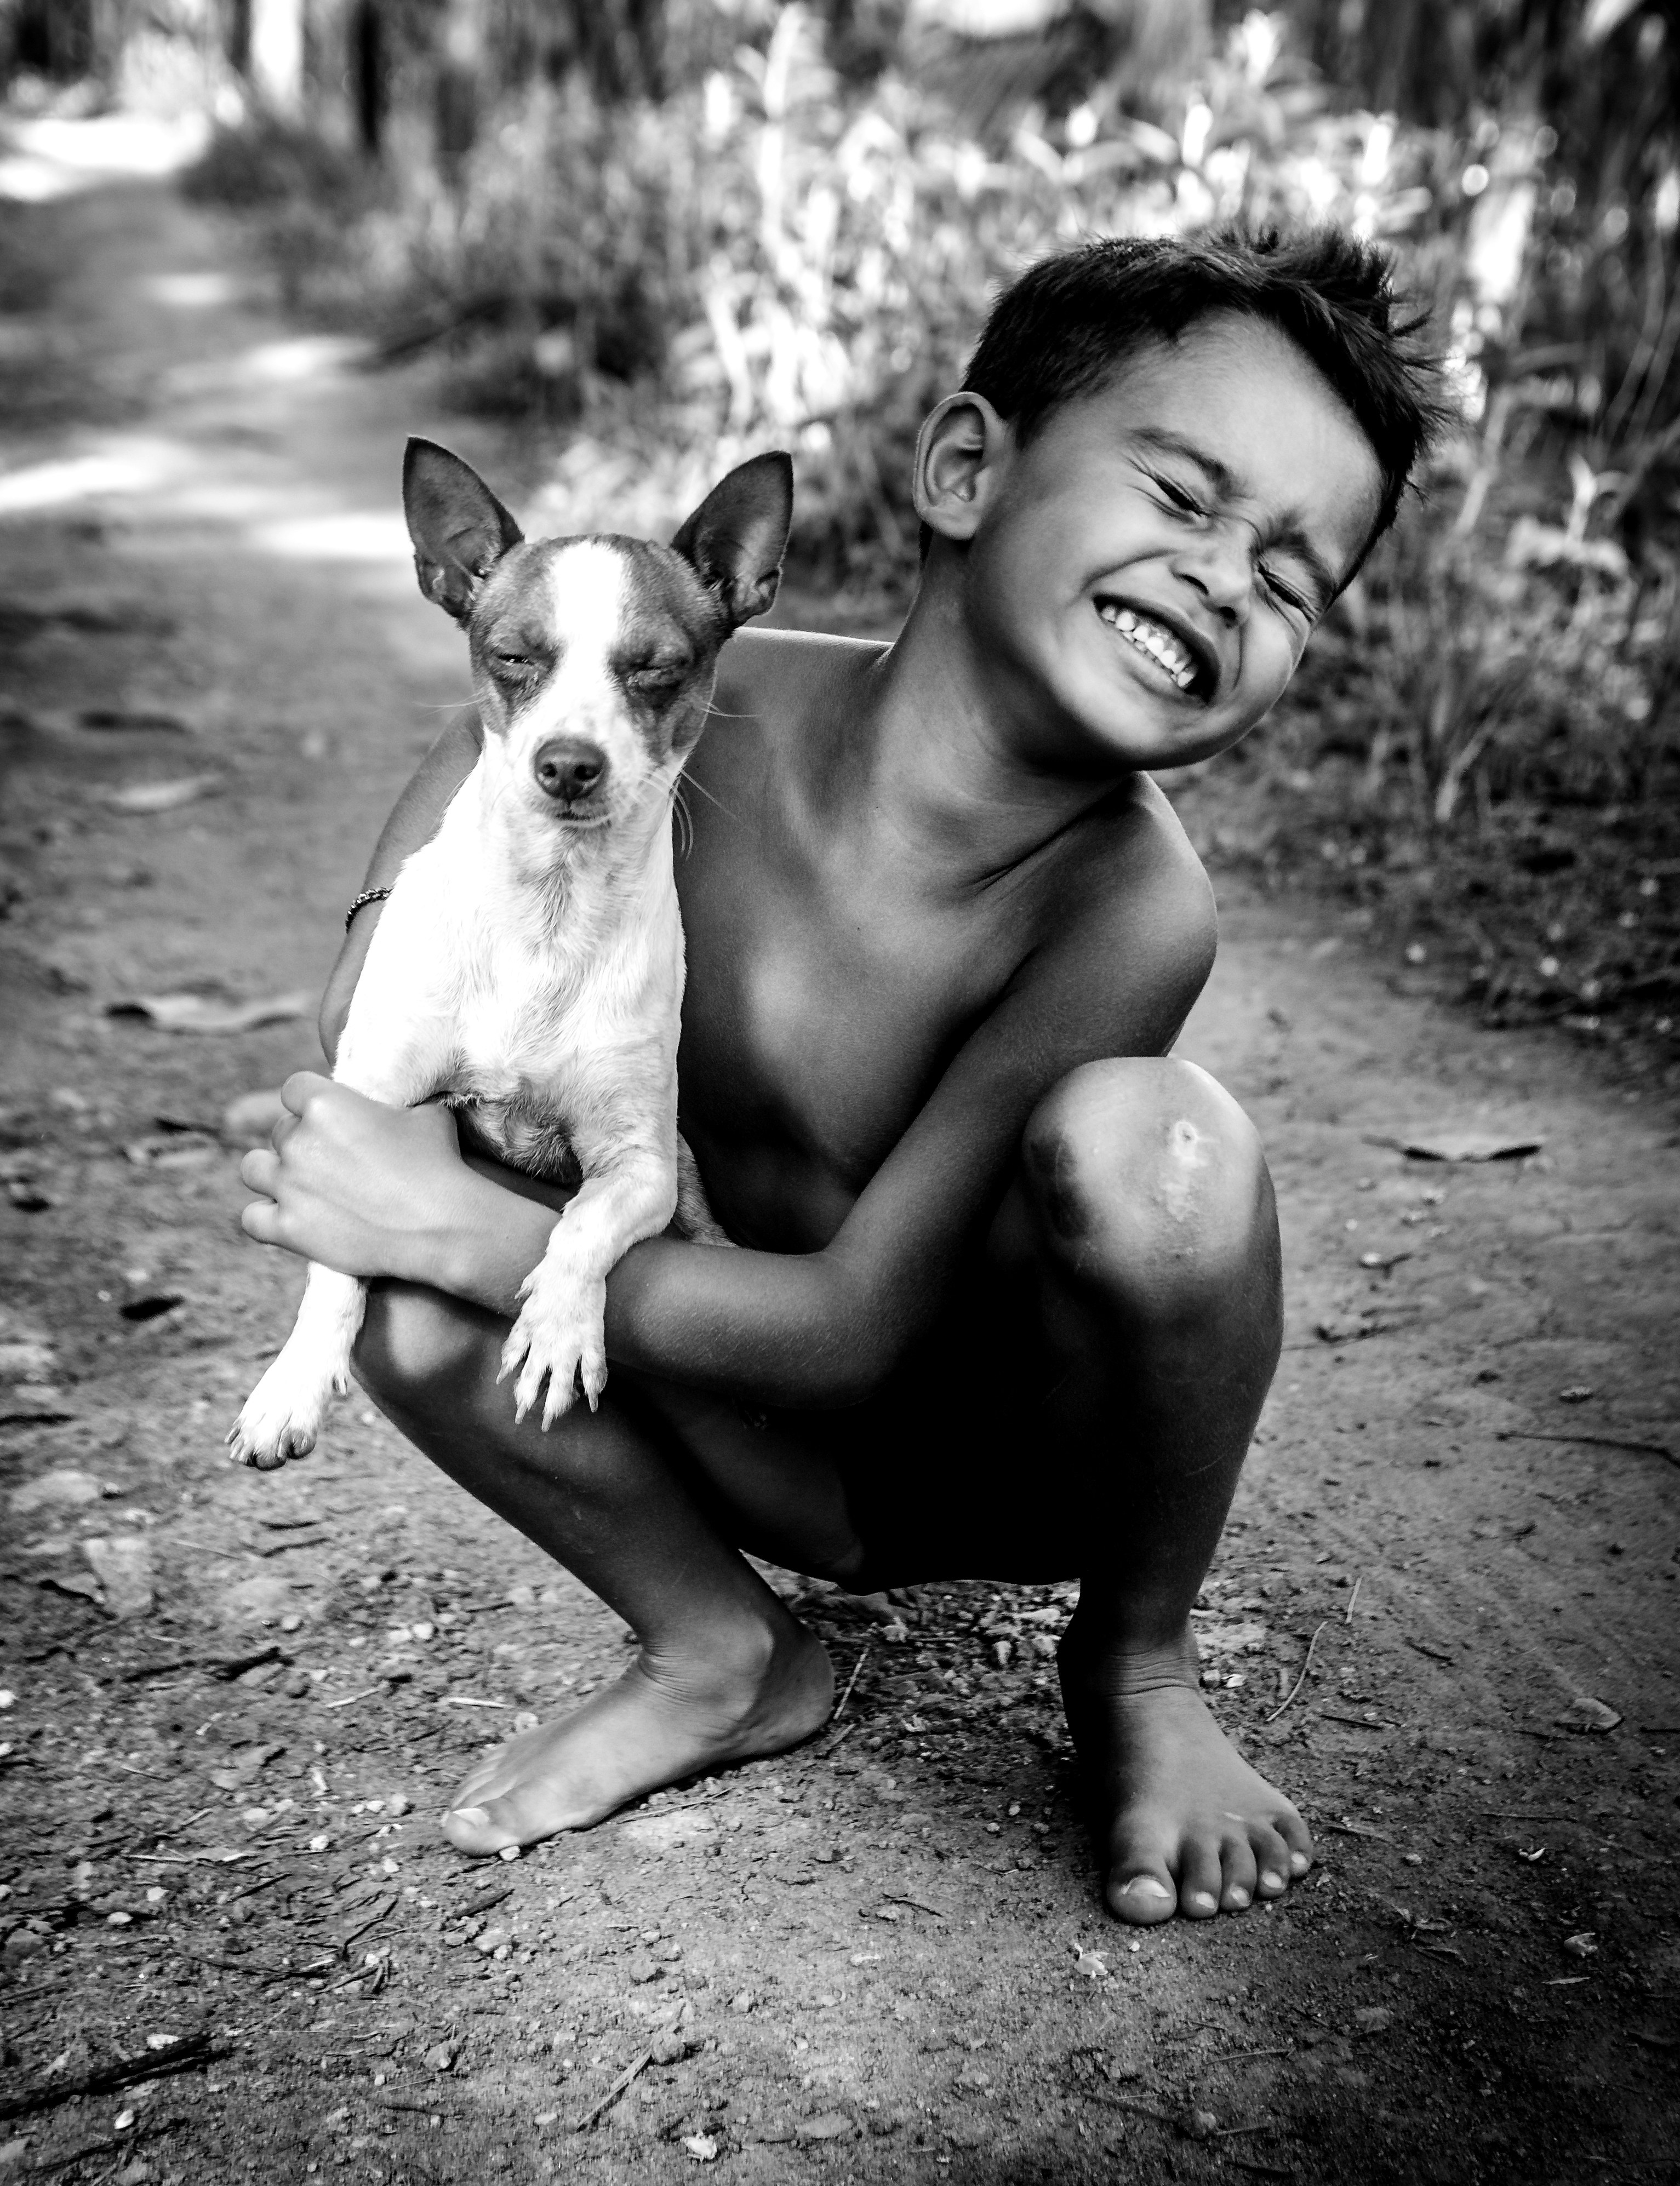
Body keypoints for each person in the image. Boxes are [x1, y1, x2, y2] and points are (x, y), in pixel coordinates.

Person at [237, 225, 1445, 1926]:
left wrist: (475, 1230)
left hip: (976, 1456)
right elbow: (375, 1037)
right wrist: (397, 1157)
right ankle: (721, 1641)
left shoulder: (1126, 903)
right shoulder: (639, 707)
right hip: (711, 1421)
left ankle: (1136, 1665)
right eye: (1182, 497)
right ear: (965, 466)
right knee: (395, 1288)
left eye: (1290, 577)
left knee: (1159, 1145)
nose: (1222, 580)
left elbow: (854, 1328)